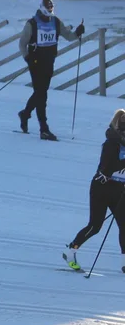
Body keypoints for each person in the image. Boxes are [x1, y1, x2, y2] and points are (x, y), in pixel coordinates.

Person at [65, 111, 125, 272]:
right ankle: (70, 251)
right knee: (95, 226)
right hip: (101, 187)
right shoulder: (111, 143)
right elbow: (106, 167)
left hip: (119, 189)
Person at [17, 0, 84, 141]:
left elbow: (69, 36)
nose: (49, 10)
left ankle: (25, 114)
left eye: (51, 8)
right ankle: (44, 129)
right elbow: (22, 43)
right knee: (42, 94)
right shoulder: (32, 24)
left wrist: (78, 32)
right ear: (41, 7)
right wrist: (27, 58)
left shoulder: (55, 22)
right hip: (35, 63)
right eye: (47, 8)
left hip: (49, 62)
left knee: (40, 92)